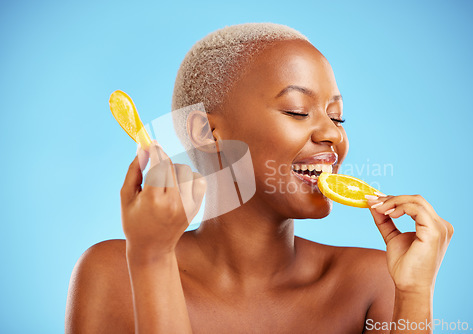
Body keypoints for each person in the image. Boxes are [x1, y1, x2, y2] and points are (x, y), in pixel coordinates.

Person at [65, 23, 453, 333]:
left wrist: (416, 292)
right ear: (206, 132)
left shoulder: (375, 281)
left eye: (337, 116)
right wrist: (152, 258)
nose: (334, 134)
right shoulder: (114, 271)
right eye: (298, 111)